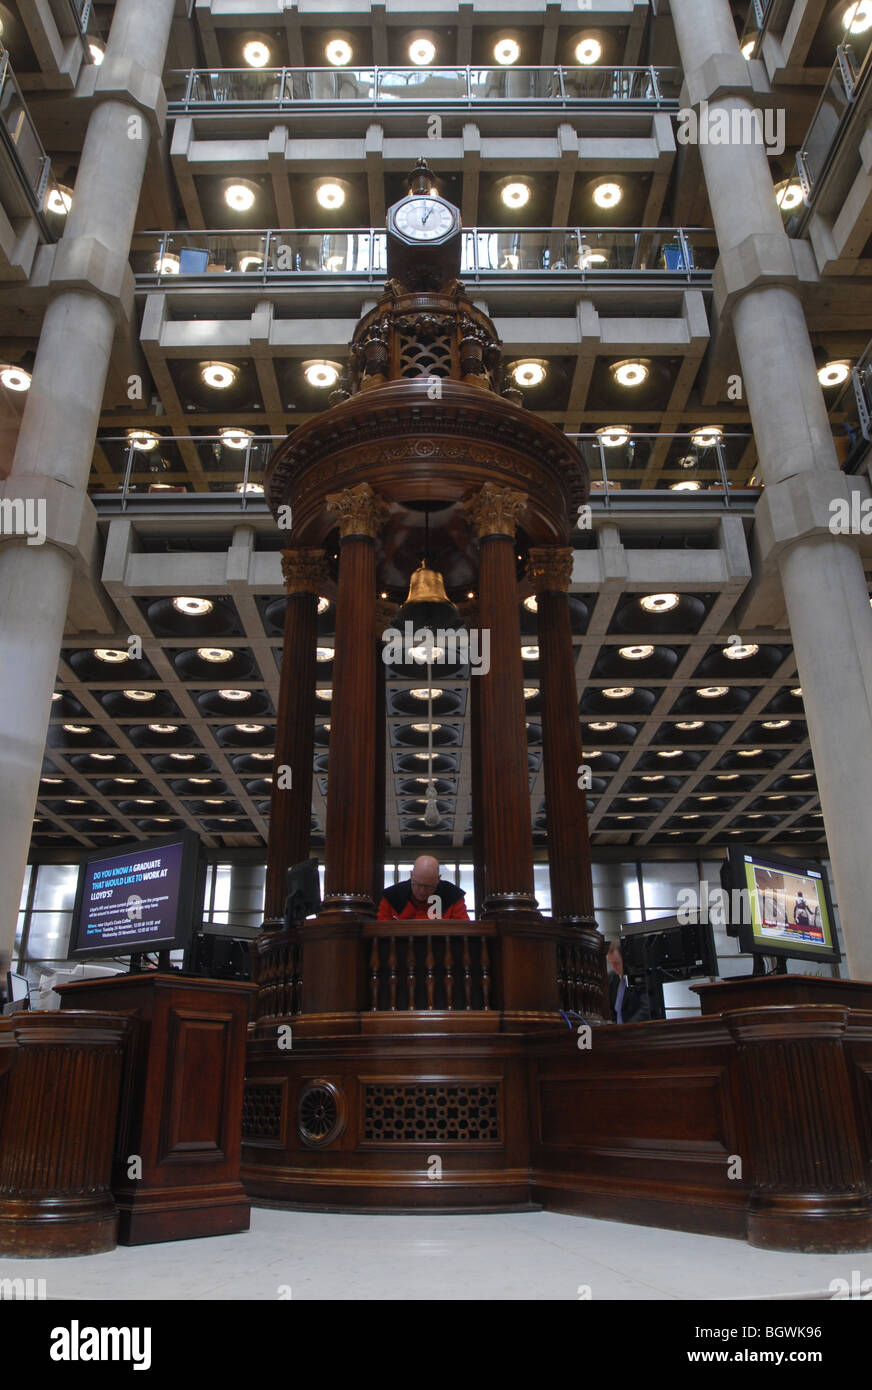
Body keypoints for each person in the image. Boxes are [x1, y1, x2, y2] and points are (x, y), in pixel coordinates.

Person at [377, 856, 469, 922]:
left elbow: (462, 930)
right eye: (417, 884)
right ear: (411, 875)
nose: (422, 891)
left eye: (428, 886)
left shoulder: (453, 896)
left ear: (438, 879)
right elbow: (381, 930)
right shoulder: (392, 896)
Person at [606, 940, 650, 1024]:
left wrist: (628, 1027)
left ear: (625, 959)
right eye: (611, 963)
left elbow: (646, 1007)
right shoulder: (611, 978)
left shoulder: (638, 976)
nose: (613, 967)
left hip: (637, 1029)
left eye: (616, 963)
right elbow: (610, 1008)